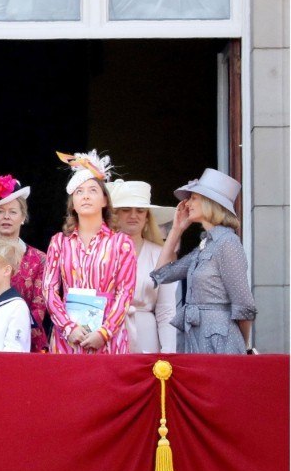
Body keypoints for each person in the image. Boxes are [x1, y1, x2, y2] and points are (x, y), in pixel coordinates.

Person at [151, 169, 256, 354]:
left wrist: (241, 346)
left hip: (222, 344)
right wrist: (176, 229)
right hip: (195, 338)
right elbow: (162, 274)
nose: (187, 203)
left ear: (210, 203)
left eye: (194, 198)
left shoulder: (228, 242)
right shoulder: (205, 245)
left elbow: (244, 305)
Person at [43, 151, 137, 355]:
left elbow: (125, 293)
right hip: (68, 337)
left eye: (92, 190)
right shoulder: (59, 242)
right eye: (79, 192)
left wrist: (104, 332)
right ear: (73, 204)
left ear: (105, 200)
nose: (85, 196)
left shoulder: (122, 243)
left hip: (108, 338)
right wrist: (68, 328)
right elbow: (49, 290)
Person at [108, 180, 178, 354]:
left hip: (147, 335)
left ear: (147, 216)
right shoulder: (102, 251)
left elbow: (166, 309)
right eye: (126, 210)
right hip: (108, 334)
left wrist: (169, 352)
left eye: (140, 210)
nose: (134, 215)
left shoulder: (159, 254)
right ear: (115, 215)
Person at [0, 174, 48, 352]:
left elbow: (39, 304)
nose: (6, 217)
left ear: (23, 217)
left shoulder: (39, 258)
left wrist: (14, 329)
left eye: (13, 212)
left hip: (27, 340)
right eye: (0, 212)